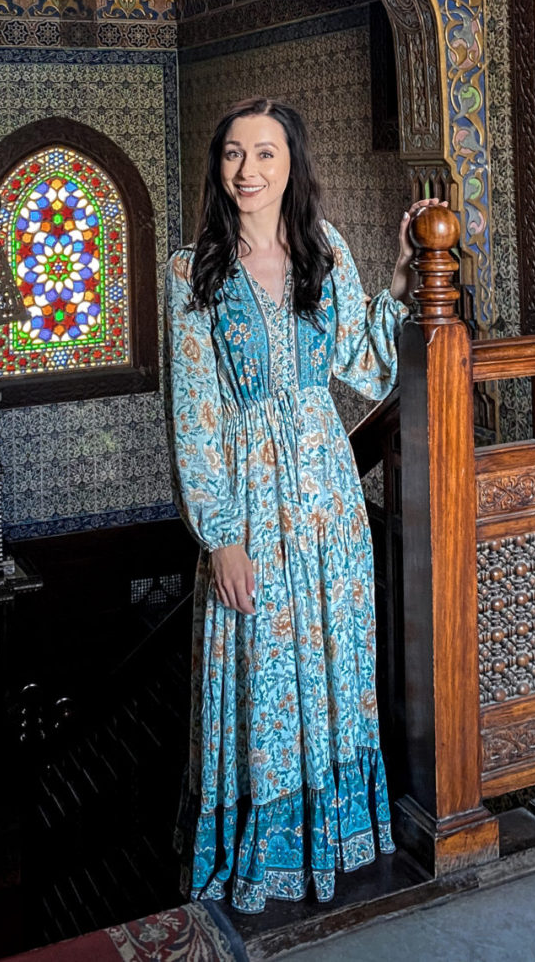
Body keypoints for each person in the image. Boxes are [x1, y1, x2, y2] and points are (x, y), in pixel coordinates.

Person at [165, 96, 441, 913]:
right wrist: (220, 537)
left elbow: (363, 364)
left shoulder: (328, 251)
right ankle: (265, 851)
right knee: (261, 670)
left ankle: (339, 838)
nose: (246, 171)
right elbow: (194, 414)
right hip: (249, 507)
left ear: (292, 166)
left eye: (265, 155)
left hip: (328, 498)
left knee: (335, 663)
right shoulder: (193, 271)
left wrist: (397, 278)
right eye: (232, 155)